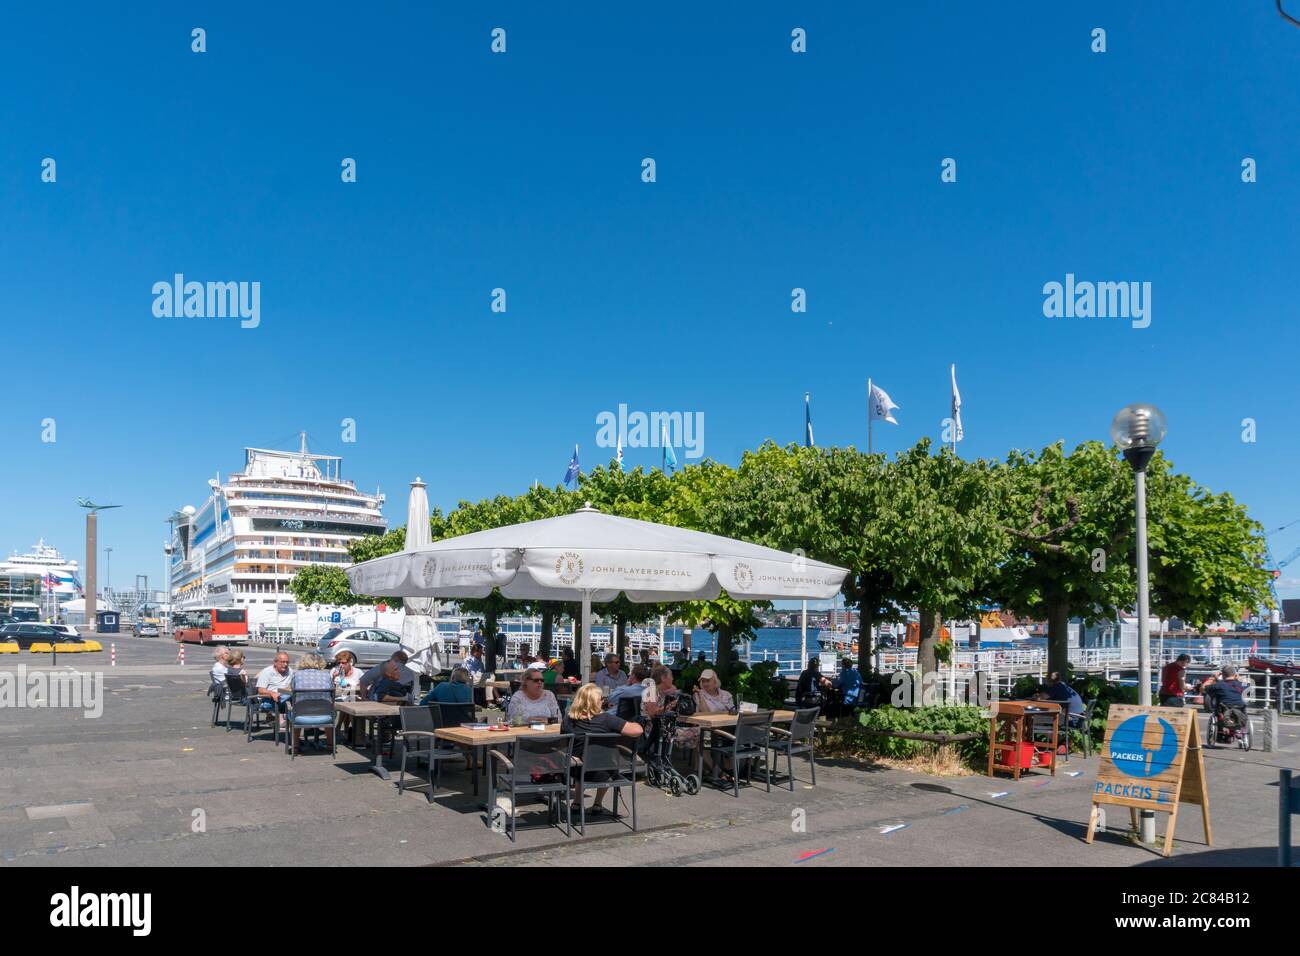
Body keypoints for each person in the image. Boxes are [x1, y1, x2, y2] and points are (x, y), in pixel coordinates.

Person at [562, 683, 643, 816]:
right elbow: (637, 730)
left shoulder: (568, 720)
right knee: (605, 758)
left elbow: (565, 745)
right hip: (605, 773)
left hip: (577, 771)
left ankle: (577, 802)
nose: (603, 701)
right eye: (601, 699)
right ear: (594, 702)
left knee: (581, 758)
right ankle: (598, 803)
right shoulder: (607, 719)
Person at [643, 665, 699, 750]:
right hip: (655, 730)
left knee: (701, 733)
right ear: (663, 678)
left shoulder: (661, 692)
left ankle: (701, 758)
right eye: (671, 676)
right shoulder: (651, 692)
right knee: (699, 733)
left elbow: (673, 689)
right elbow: (653, 713)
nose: (672, 679)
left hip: (666, 727)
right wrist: (670, 705)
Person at [290, 653, 335, 751]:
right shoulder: (327, 675)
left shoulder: (297, 675)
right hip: (325, 717)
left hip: (300, 717)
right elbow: (332, 690)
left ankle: (295, 746)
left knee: (295, 708)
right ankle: (330, 745)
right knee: (329, 707)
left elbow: (292, 688)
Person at [256, 651, 295, 731]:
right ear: (275, 662)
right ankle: (293, 725)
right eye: (283, 662)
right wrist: (271, 693)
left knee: (296, 696)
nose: (285, 664)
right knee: (289, 697)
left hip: (285, 699)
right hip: (268, 700)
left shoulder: (290, 671)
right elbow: (260, 690)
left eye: (287, 662)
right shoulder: (267, 672)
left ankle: (302, 726)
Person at [1204, 665, 1249, 732]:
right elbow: (1248, 689)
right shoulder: (1243, 685)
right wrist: (1238, 678)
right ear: (1235, 675)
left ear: (1222, 675)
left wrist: (1213, 678)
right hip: (1240, 711)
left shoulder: (1219, 685)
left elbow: (1203, 687)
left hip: (1223, 712)